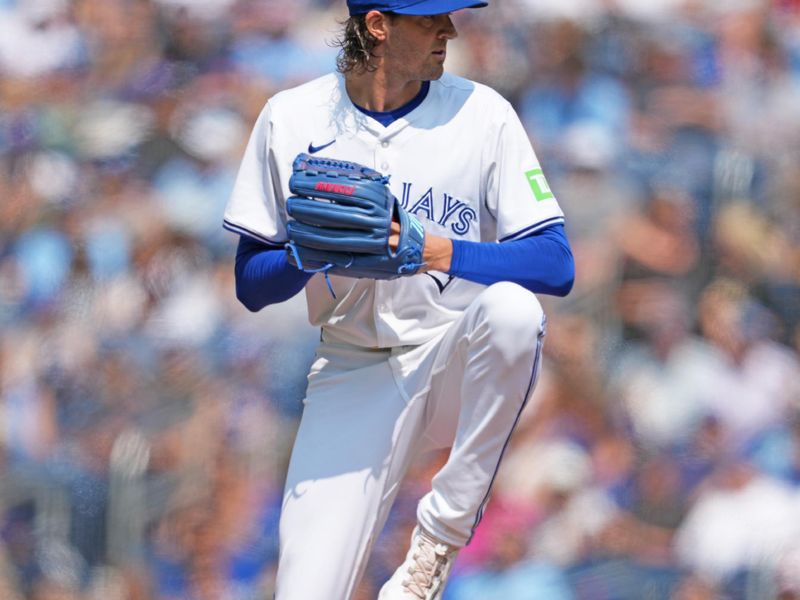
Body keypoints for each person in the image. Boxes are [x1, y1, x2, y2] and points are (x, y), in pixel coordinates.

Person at [223, 1, 575, 597]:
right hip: (353, 366)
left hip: (452, 357)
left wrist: (435, 252)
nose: (450, 29)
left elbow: (555, 263)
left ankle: (439, 538)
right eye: (430, 18)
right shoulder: (292, 116)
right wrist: (302, 256)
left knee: (514, 312)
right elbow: (251, 283)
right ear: (378, 24)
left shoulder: (483, 114)